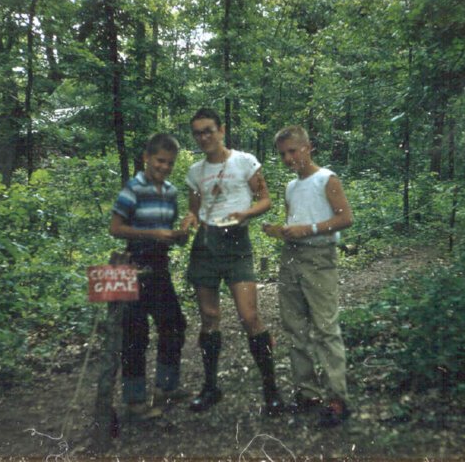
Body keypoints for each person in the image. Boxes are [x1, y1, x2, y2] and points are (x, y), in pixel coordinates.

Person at [183, 107, 285, 416]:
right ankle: (210, 387)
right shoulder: (195, 171)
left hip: (237, 241)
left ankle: (271, 391)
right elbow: (195, 210)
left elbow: (265, 200)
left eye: (208, 130)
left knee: (249, 315)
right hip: (206, 244)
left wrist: (246, 213)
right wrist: (190, 219)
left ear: (222, 130)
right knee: (209, 316)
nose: (204, 137)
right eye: (198, 133)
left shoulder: (244, 161)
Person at [262, 125, 354, 427]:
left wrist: (309, 230)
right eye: (283, 154)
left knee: (325, 327)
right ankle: (307, 393)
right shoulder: (291, 187)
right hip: (291, 257)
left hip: (319, 257)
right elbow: (296, 220)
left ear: (308, 147)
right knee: (295, 327)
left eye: (293, 151)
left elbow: (345, 218)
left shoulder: (326, 179)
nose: (289, 158)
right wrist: (282, 231)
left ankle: (337, 398)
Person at [109, 133, 190, 420]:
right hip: (133, 266)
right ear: (146, 158)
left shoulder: (170, 192)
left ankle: (166, 387)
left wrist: (180, 235)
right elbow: (115, 228)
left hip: (159, 268)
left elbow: (168, 233)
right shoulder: (133, 189)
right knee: (135, 334)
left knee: (174, 325)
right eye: (160, 161)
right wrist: (152, 234)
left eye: (170, 163)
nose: (164, 167)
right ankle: (135, 401)